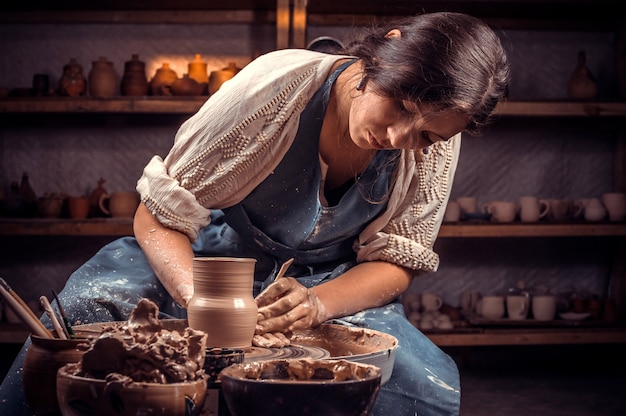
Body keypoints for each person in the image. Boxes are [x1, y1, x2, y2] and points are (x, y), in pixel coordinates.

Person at [0, 11, 509, 415]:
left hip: (325, 282)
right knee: (89, 317)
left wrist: (316, 305)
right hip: (207, 259)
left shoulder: (440, 138)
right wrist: (200, 298)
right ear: (386, 54)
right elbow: (157, 215)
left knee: (415, 379)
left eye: (424, 134)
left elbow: (397, 262)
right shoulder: (275, 88)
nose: (399, 138)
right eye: (398, 106)